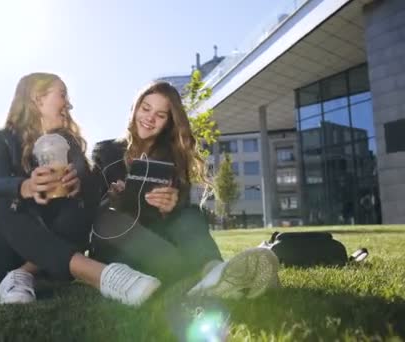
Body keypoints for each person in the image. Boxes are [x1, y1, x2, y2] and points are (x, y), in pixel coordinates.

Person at [0, 72, 163, 306]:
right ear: (38, 98)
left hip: (53, 261)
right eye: (63, 95)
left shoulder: (68, 143)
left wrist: (80, 184)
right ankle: (104, 276)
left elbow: (89, 187)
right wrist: (25, 186)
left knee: (82, 200)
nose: (69, 104)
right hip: (4, 255)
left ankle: (25, 274)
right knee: (4, 202)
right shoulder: (0, 138)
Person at [89, 81, 279, 299]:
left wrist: (171, 205)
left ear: (169, 122)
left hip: (157, 240)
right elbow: (90, 210)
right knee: (111, 221)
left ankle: (212, 270)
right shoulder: (106, 151)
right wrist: (112, 197)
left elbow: (180, 217)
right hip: (117, 241)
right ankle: (207, 278)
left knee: (189, 213)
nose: (150, 118)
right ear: (135, 108)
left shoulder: (171, 159)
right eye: (146, 108)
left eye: (161, 115)